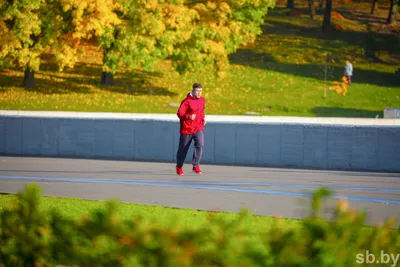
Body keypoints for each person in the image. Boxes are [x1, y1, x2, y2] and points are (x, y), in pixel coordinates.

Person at [175, 83, 206, 175]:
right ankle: (179, 166)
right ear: (193, 91)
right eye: (197, 91)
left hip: (198, 127)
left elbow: (201, 111)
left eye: (200, 91)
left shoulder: (202, 100)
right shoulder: (186, 101)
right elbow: (179, 113)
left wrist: (203, 118)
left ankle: (195, 165)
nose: (199, 93)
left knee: (200, 144)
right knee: (183, 148)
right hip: (187, 128)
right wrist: (188, 116)